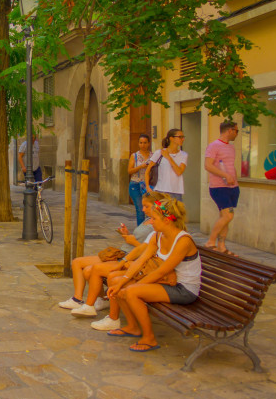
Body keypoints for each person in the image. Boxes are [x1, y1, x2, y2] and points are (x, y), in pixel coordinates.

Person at [106, 195, 201, 352]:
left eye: (154, 219)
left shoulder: (183, 241)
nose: (150, 222)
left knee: (131, 292)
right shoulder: (158, 236)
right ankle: (132, 327)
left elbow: (161, 271)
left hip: (183, 289)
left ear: (166, 220)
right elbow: (140, 261)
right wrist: (123, 281)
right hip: (166, 281)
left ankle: (149, 338)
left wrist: (133, 285)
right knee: (118, 285)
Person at [59, 195, 158, 318]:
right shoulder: (148, 220)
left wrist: (132, 244)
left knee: (91, 270)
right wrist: (127, 235)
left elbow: (149, 250)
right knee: (77, 262)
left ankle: (99, 306)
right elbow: (143, 245)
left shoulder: (157, 228)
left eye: (146, 206)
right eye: (143, 206)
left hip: (129, 258)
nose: (143, 209)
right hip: (122, 254)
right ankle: (81, 300)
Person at [203, 121, 240, 255]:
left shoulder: (231, 147)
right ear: (229, 130)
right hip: (219, 187)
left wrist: (233, 179)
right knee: (228, 215)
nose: (237, 133)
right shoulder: (213, 146)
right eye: (236, 131)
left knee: (225, 217)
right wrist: (225, 175)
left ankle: (222, 246)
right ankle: (210, 242)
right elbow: (208, 165)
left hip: (232, 186)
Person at [145, 128, 187, 200]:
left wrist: (168, 157)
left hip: (176, 193)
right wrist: (148, 187)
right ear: (171, 138)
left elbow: (179, 172)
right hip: (160, 191)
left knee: (175, 211)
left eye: (183, 137)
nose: (182, 139)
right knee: (160, 211)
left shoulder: (183, 155)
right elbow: (148, 170)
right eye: (180, 137)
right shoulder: (159, 153)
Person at [128, 134, 151, 226]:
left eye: (145, 143)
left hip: (148, 185)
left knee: (150, 209)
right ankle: (140, 230)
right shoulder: (135, 156)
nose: (143, 145)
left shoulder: (153, 156)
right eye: (141, 143)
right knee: (140, 209)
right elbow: (129, 171)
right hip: (136, 184)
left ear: (148, 143)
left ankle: (149, 230)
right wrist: (141, 166)